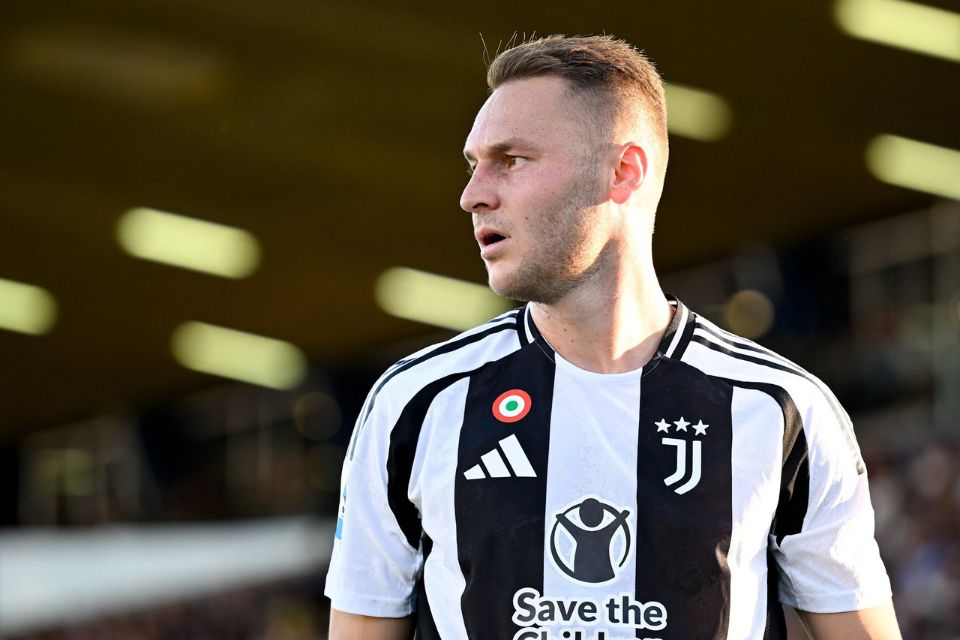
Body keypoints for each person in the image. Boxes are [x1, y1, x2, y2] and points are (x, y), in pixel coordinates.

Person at [325, 34, 901, 639]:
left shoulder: (780, 408)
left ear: (623, 171)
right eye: (474, 165)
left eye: (512, 160)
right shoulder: (417, 404)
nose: (473, 196)